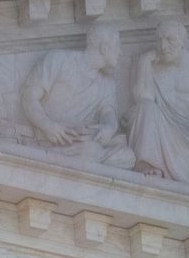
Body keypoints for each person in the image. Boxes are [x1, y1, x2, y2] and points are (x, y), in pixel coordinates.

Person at [129, 19, 189, 189]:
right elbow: (143, 100)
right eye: (159, 41)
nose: (163, 46)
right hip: (163, 131)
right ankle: (151, 164)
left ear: (182, 40)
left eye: (169, 40)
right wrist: (144, 62)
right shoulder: (152, 67)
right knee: (147, 107)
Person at [14, 24, 127, 163]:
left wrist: (109, 128)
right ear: (104, 48)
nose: (120, 52)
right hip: (44, 139)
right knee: (94, 152)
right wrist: (48, 126)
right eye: (117, 47)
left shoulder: (107, 83)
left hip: (81, 142)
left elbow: (108, 113)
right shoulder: (59, 60)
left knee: (126, 157)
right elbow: (28, 98)